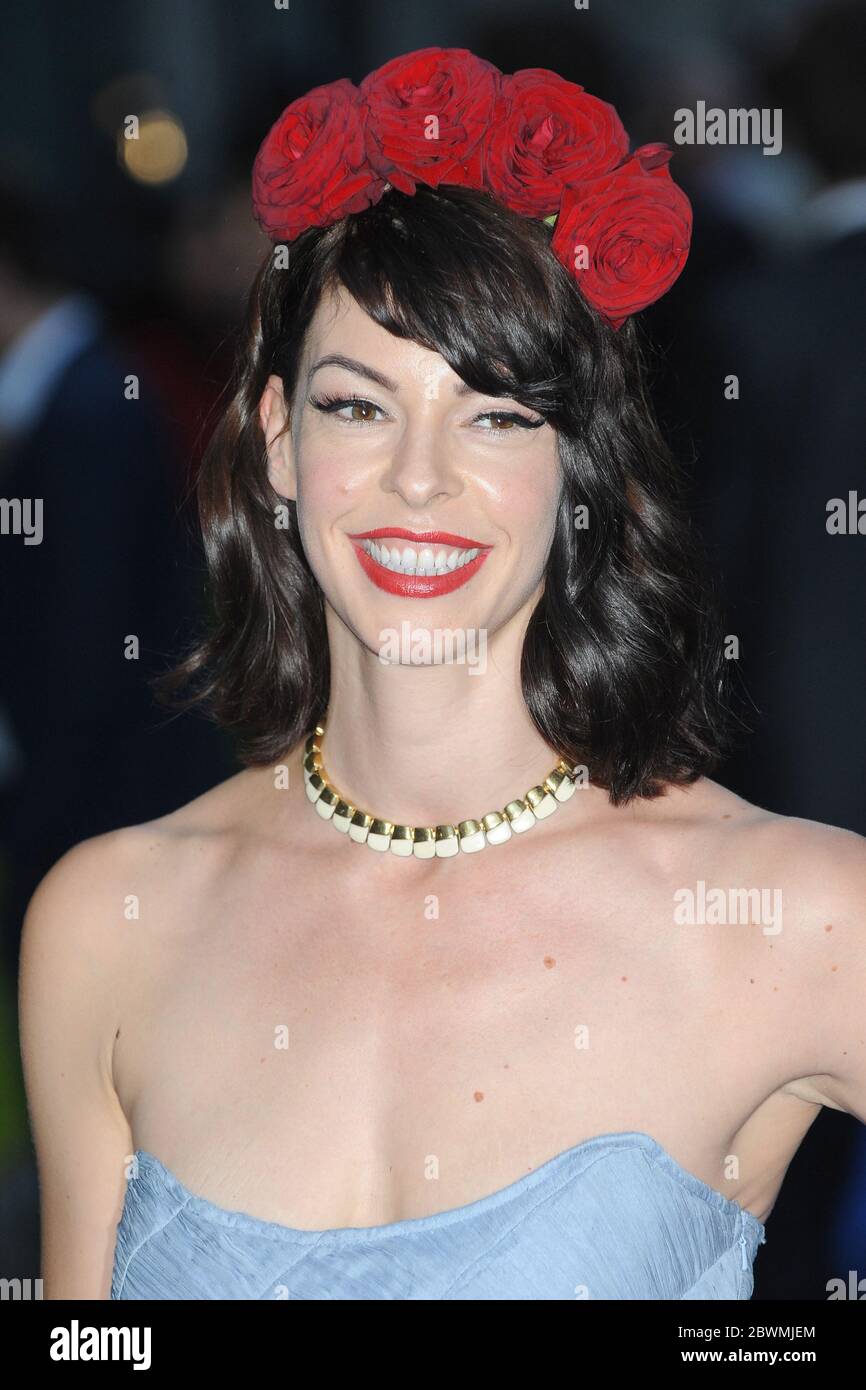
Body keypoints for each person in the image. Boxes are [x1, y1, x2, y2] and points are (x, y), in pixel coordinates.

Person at [17, 47, 866, 1301]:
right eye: (359, 406)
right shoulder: (106, 921)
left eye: (495, 414)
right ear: (278, 438)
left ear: (576, 465)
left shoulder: (791, 914)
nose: (419, 479)